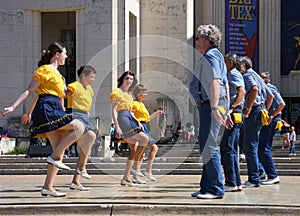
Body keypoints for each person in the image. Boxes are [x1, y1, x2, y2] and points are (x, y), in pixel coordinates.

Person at [1, 42, 85, 197]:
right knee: (80, 127)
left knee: (58, 153)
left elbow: (60, 96)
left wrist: (68, 94)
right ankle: (54, 159)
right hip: (46, 106)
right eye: (65, 53)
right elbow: (31, 91)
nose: (67, 56)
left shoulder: (60, 76)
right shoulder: (45, 69)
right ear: (57, 54)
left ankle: (48, 186)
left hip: (56, 107)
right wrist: (14, 107)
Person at [189, 24, 229, 199]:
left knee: (209, 146)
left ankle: (215, 188)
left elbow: (216, 81)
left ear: (206, 39)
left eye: (197, 38)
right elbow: (225, 84)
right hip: (209, 105)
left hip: (210, 105)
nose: (196, 42)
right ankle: (206, 187)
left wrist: (215, 107)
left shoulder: (212, 56)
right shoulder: (212, 56)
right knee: (206, 145)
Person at [239, 56, 274, 188]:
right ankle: (259, 172)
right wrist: (265, 109)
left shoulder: (247, 75)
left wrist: (248, 108)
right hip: (259, 111)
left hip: (253, 112)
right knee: (253, 144)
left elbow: (254, 89)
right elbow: (270, 95)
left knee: (249, 146)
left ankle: (253, 178)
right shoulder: (257, 76)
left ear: (244, 65)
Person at [110, 71, 149, 187]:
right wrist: (116, 126)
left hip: (130, 119)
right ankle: (135, 169)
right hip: (123, 119)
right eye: (127, 78)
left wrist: (138, 122)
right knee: (144, 139)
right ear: (122, 79)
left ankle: (126, 178)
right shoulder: (117, 92)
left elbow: (131, 112)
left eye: (131, 79)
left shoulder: (128, 94)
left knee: (134, 151)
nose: (129, 81)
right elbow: (113, 110)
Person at [66, 65, 97, 191]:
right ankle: (82, 168)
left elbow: (86, 104)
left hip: (84, 116)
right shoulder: (73, 86)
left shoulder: (89, 89)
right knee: (90, 137)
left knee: (88, 142)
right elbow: (62, 97)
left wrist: (87, 113)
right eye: (91, 77)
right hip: (74, 114)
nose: (93, 80)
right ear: (83, 76)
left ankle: (76, 180)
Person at [220, 53, 246, 192]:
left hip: (233, 113)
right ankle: (236, 181)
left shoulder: (234, 74)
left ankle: (231, 182)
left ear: (230, 62)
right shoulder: (232, 74)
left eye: (224, 61)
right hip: (234, 112)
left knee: (227, 147)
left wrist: (232, 107)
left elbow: (242, 91)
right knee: (230, 148)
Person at [257, 71, 285, 185]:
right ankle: (264, 173)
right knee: (260, 148)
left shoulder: (270, 88)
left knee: (264, 148)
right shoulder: (265, 89)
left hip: (271, 121)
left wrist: (272, 116)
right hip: (268, 121)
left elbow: (281, 104)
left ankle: (272, 175)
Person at [131, 84, 163, 184]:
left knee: (143, 152)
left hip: (144, 127)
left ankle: (136, 176)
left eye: (145, 92)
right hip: (138, 128)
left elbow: (147, 118)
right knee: (154, 148)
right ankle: (145, 171)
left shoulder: (142, 104)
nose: (145, 94)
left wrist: (156, 113)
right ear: (137, 94)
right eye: (143, 93)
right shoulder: (134, 103)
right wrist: (138, 122)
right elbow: (130, 114)